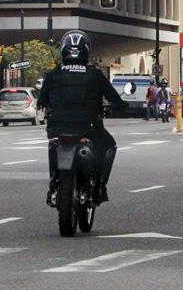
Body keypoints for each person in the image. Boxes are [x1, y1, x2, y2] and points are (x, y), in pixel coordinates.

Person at [38, 30, 127, 207]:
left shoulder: (53, 74)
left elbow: (41, 100)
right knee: (109, 146)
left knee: (54, 145)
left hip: (58, 127)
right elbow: (113, 97)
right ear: (86, 50)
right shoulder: (94, 74)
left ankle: (53, 182)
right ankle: (100, 185)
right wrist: (122, 106)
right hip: (89, 128)